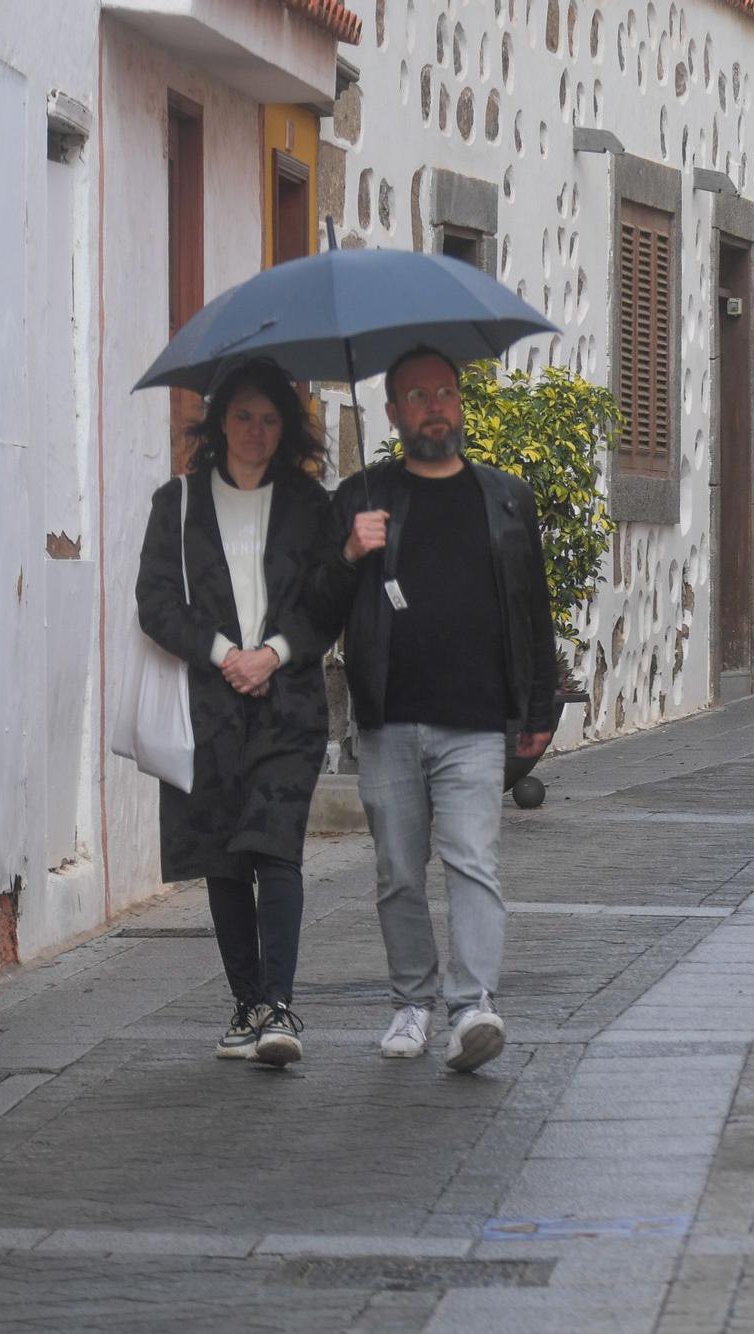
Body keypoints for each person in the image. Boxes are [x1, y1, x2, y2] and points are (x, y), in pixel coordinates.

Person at [310, 347, 557, 1073]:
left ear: (460, 403)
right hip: (390, 717)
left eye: (445, 392)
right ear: (393, 414)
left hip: (477, 720)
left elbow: (532, 608)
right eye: (416, 396)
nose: (434, 407)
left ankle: (473, 1005)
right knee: (397, 868)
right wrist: (350, 554)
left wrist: (538, 704)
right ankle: (411, 1003)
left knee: (474, 861)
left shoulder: (506, 496)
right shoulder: (361, 498)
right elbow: (321, 609)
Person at [135, 358, 337, 1065]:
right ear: (220, 421)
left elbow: (326, 607)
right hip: (209, 707)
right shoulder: (178, 504)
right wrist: (224, 652)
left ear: (287, 430)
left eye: (271, 419)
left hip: (287, 704)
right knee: (225, 859)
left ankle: (279, 1006)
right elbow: (155, 603)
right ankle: (246, 1001)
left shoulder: (313, 507)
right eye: (245, 416)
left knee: (275, 847)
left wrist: (274, 652)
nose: (257, 431)